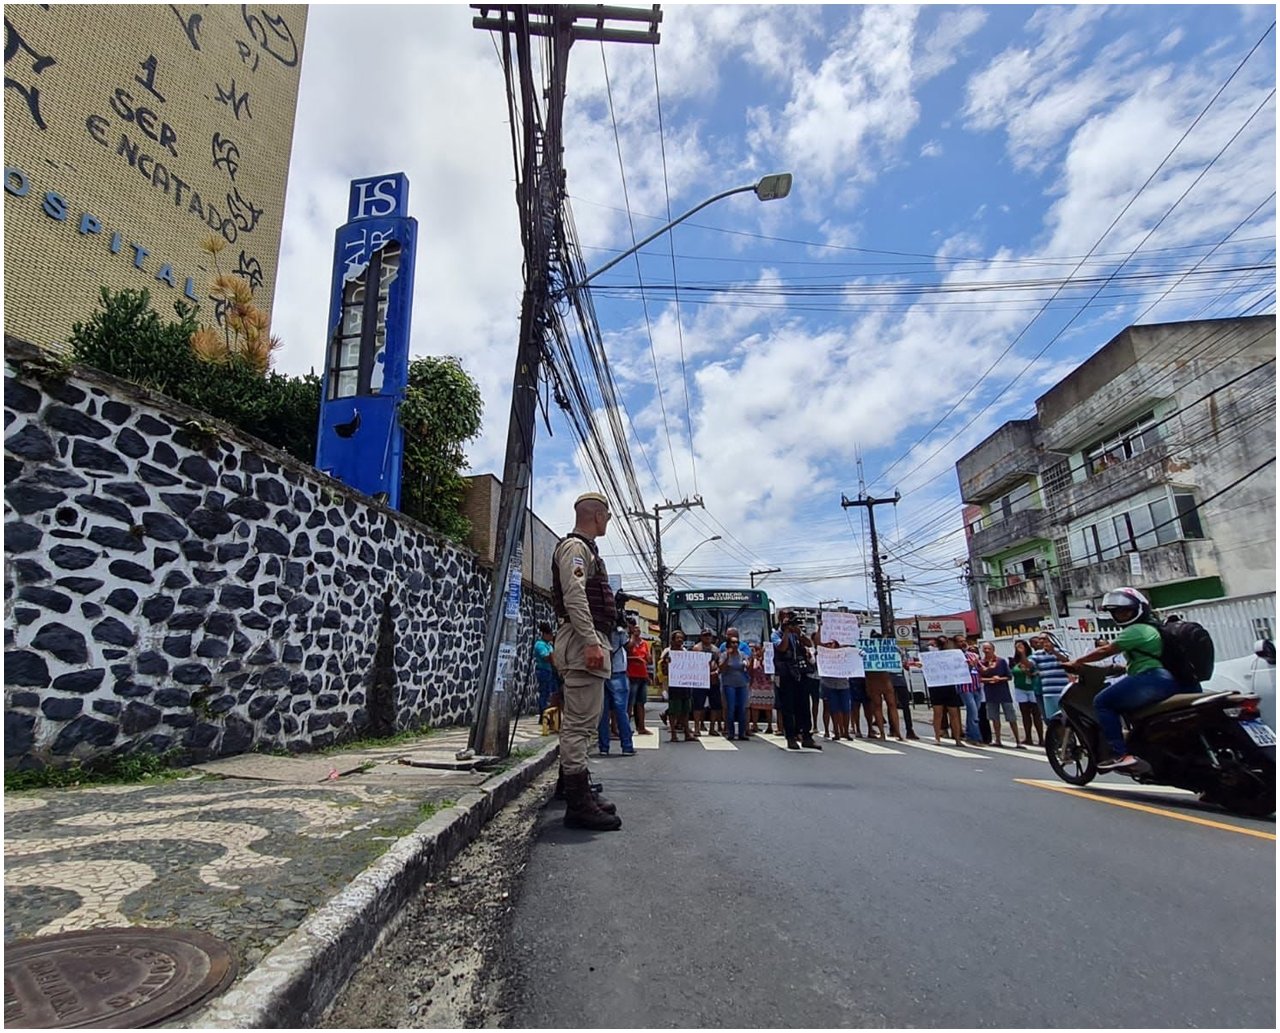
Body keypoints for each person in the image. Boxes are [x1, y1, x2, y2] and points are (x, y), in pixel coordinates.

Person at [551, 491, 622, 830]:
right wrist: (592, 640)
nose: (608, 521)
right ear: (597, 515)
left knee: (584, 722)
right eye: (606, 516)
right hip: (583, 643)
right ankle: (578, 805)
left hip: (587, 641)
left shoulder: (587, 550)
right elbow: (575, 595)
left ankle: (575, 789)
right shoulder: (575, 549)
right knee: (579, 725)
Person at [1064, 587, 1193, 771]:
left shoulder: (1137, 630)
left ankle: (1120, 754)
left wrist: (1078, 661)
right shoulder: (1155, 629)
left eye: (1126, 611)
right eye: (1117, 612)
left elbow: (1105, 650)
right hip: (1166, 679)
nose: (1122, 615)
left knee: (1103, 702)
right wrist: (1121, 668)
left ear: (1140, 609)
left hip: (1151, 679)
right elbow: (1141, 659)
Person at [775, 613, 820, 749]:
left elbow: (809, 643)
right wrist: (786, 633)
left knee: (804, 706)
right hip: (786, 674)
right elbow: (781, 648)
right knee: (788, 707)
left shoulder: (797, 634)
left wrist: (799, 633)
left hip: (800, 673)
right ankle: (791, 737)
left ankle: (806, 736)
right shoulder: (776, 635)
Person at [598, 618, 635, 756]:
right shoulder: (619, 632)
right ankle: (627, 746)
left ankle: (603, 747)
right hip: (617, 672)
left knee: (603, 712)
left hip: (602, 673)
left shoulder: (598, 631)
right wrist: (629, 633)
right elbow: (629, 647)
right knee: (621, 712)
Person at [979, 641, 1021, 748]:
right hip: (990, 693)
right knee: (994, 718)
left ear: (993, 650)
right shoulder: (981, 663)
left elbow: (1009, 676)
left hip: (1003, 693)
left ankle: (1018, 740)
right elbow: (979, 679)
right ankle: (997, 739)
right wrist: (990, 680)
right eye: (985, 649)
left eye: (989, 648)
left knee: (1011, 717)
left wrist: (999, 679)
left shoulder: (1001, 661)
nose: (987, 651)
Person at [928, 637, 966, 747]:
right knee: (938, 714)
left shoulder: (951, 654)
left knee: (954, 713)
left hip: (949, 686)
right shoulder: (931, 655)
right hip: (936, 686)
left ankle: (957, 738)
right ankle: (937, 737)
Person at [718, 627, 752, 741]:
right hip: (729, 684)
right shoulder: (723, 654)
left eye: (737, 642)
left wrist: (748, 664)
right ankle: (730, 732)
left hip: (742, 684)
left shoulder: (743, 654)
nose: (735, 644)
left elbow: (747, 665)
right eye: (732, 642)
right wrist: (728, 656)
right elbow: (721, 669)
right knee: (730, 708)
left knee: (742, 708)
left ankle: (742, 732)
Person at [659, 630, 693, 743]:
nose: (680, 640)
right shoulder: (667, 652)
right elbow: (663, 669)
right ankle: (673, 733)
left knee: (685, 709)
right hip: (673, 685)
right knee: (673, 711)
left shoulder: (685, 651)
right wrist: (667, 663)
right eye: (678, 638)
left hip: (685, 684)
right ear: (672, 640)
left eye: (681, 638)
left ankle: (687, 733)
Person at [1010, 639, 1043, 747]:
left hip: (1032, 688)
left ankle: (1041, 738)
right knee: (1025, 714)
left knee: (1036, 714)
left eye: (1021, 646)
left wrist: (1028, 672)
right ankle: (1028, 737)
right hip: (1020, 688)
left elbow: (1036, 672)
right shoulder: (1014, 660)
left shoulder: (1031, 658)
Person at [1031, 632, 1070, 718]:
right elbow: (1030, 665)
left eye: (1044, 639)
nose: (1041, 641)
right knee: (1053, 719)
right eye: (1040, 639)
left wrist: (1053, 651)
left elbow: (1066, 660)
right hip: (1048, 692)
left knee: (1066, 717)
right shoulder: (1037, 654)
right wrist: (1021, 655)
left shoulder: (1062, 651)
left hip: (1062, 691)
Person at [690, 629, 721, 736]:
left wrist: (716, 672)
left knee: (715, 705)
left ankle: (712, 728)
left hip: (713, 680)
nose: (707, 637)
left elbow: (719, 665)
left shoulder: (716, 650)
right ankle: (697, 728)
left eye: (709, 635)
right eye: (705, 635)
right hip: (700, 680)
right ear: (701, 637)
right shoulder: (696, 649)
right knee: (698, 705)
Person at [955, 634, 984, 745]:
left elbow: (981, 668)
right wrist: (970, 666)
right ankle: (975, 737)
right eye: (960, 641)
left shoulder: (973, 655)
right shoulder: (955, 657)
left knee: (973, 712)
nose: (963, 643)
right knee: (973, 712)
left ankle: (969, 734)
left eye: (964, 641)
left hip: (976, 686)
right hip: (965, 687)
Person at [626, 624, 652, 735]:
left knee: (641, 702)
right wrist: (636, 658)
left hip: (642, 675)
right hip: (631, 675)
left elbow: (649, 660)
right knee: (630, 703)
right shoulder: (629, 643)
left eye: (638, 629)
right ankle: (625, 727)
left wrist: (647, 657)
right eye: (635, 629)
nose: (637, 631)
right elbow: (625, 656)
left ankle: (641, 727)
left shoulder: (644, 644)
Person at [747, 641, 774, 733]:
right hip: (755, 685)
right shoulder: (752, 659)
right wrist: (752, 659)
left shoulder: (768, 659)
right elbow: (750, 671)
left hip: (767, 686)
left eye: (758, 649)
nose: (756, 652)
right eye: (755, 650)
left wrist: (763, 658)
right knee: (755, 707)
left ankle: (770, 726)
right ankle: (754, 725)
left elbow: (769, 669)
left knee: (768, 707)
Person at [534, 622, 556, 721]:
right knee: (544, 693)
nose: (551, 637)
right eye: (550, 635)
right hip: (543, 670)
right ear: (545, 634)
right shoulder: (540, 645)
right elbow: (547, 657)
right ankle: (543, 715)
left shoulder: (549, 645)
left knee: (549, 693)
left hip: (550, 671)